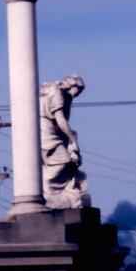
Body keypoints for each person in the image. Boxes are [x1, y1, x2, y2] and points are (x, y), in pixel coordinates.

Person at [39, 75, 91, 208]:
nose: (78, 94)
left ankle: (60, 194)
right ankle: (48, 189)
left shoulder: (53, 90)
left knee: (68, 163)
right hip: (46, 132)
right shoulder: (57, 94)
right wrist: (72, 140)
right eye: (78, 91)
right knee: (64, 161)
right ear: (72, 86)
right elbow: (61, 121)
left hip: (46, 130)